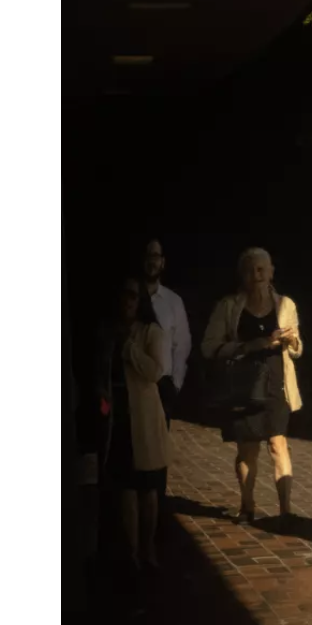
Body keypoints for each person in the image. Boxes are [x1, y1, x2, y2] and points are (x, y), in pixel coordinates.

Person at [201, 247, 302, 526]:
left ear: (271, 272)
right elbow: (209, 347)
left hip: (276, 384)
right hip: (243, 387)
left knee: (278, 444)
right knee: (247, 449)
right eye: (250, 270)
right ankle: (247, 506)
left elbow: (296, 350)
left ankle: (286, 511)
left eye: (261, 269)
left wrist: (292, 341)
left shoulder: (286, 304)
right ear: (242, 275)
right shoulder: (229, 306)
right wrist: (248, 346)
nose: (256, 275)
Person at [96, 277, 171, 573]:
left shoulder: (150, 332)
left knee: (147, 487)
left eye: (133, 298)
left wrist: (129, 349)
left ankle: (147, 547)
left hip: (142, 416)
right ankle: (131, 553)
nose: (127, 303)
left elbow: (156, 371)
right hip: (117, 414)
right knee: (125, 485)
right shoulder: (107, 331)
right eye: (123, 297)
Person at [141, 238, 191, 422]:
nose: (151, 261)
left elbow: (182, 344)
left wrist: (175, 384)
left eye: (155, 255)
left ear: (163, 262)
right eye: (147, 255)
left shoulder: (173, 302)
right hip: (134, 386)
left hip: (162, 387)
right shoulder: (131, 299)